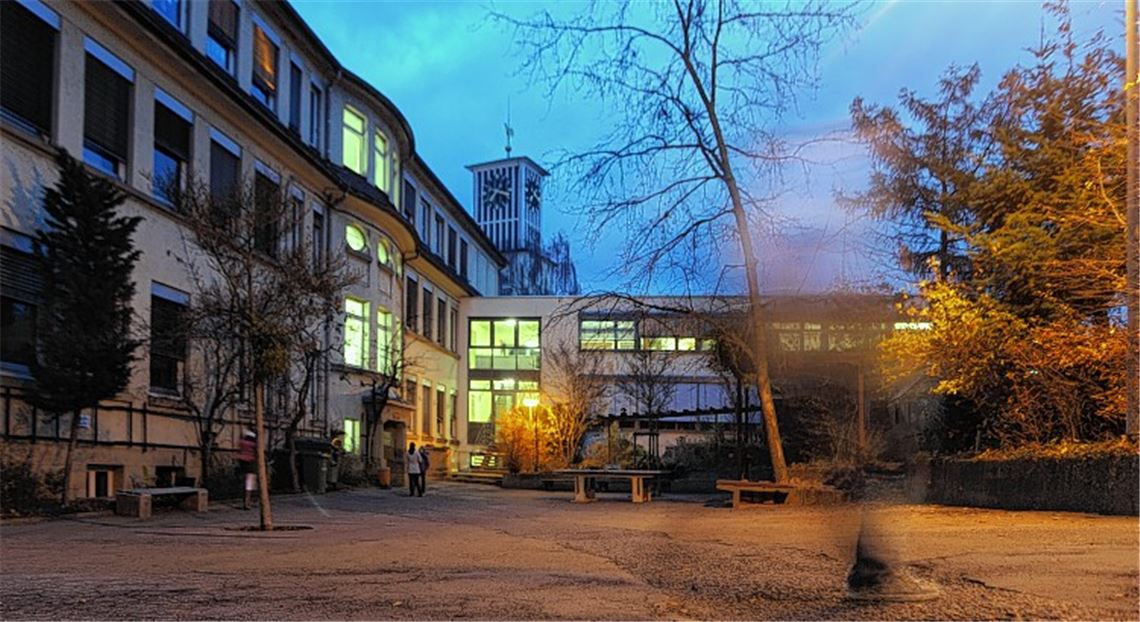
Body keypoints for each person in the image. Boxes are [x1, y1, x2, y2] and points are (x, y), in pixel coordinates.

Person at [238, 429, 257, 510]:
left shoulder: (242, 443)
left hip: (242, 465)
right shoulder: (253, 445)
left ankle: (247, 502)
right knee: (249, 486)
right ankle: (247, 503)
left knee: (246, 485)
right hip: (251, 466)